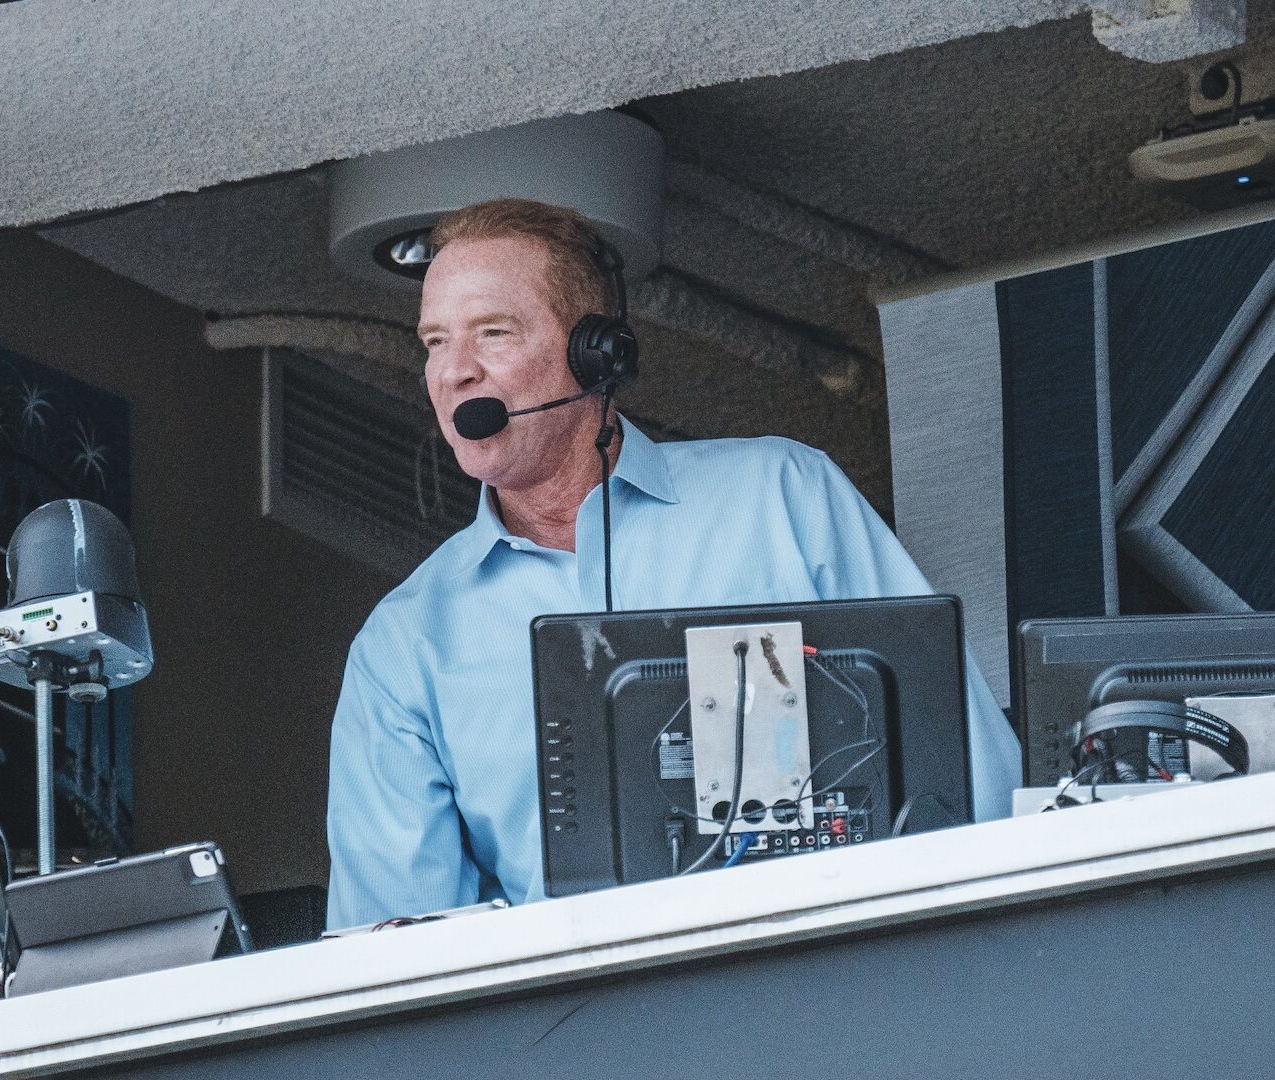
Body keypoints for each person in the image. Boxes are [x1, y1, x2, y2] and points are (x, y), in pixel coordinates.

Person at [324, 198, 1020, 930]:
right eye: (435, 342)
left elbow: (973, 783)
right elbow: (390, 949)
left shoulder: (781, 496)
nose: (452, 373)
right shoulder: (404, 643)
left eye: (492, 333)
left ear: (595, 355)